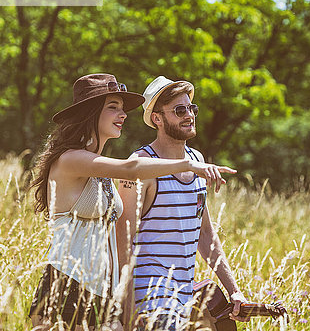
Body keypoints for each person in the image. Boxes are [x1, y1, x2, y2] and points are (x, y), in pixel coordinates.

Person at [28, 74, 236, 331]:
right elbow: (131, 168)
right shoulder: (70, 160)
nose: (123, 114)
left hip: (101, 292)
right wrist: (188, 164)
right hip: (66, 286)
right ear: (91, 114)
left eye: (123, 109)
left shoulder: (97, 165)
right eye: (113, 107)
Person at [116, 76, 249, 330]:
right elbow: (122, 238)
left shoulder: (197, 159)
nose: (189, 115)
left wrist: (234, 292)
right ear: (157, 119)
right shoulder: (142, 164)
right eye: (180, 110)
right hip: (149, 302)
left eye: (191, 108)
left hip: (184, 302)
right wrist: (128, 308)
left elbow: (205, 234)